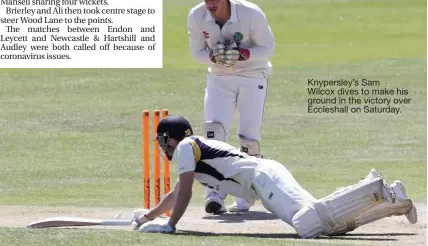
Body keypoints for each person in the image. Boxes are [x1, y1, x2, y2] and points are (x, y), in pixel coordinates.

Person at [131, 115, 418, 237]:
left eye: (161, 140)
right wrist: (150, 216)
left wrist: (170, 225)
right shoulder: (191, 152)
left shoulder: (184, 147)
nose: (161, 146)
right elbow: (179, 191)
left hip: (263, 177)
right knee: (321, 223)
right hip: (264, 178)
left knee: (308, 224)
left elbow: (184, 192)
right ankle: (392, 201)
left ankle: (377, 190)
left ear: (171, 138)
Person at [186, 0, 276, 214]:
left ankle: (246, 193)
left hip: (253, 75)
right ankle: (214, 191)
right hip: (219, 77)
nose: (210, 4)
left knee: (249, 138)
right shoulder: (197, 16)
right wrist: (213, 57)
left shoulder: (251, 13)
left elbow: (268, 49)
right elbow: (197, 54)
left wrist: (244, 54)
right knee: (213, 133)